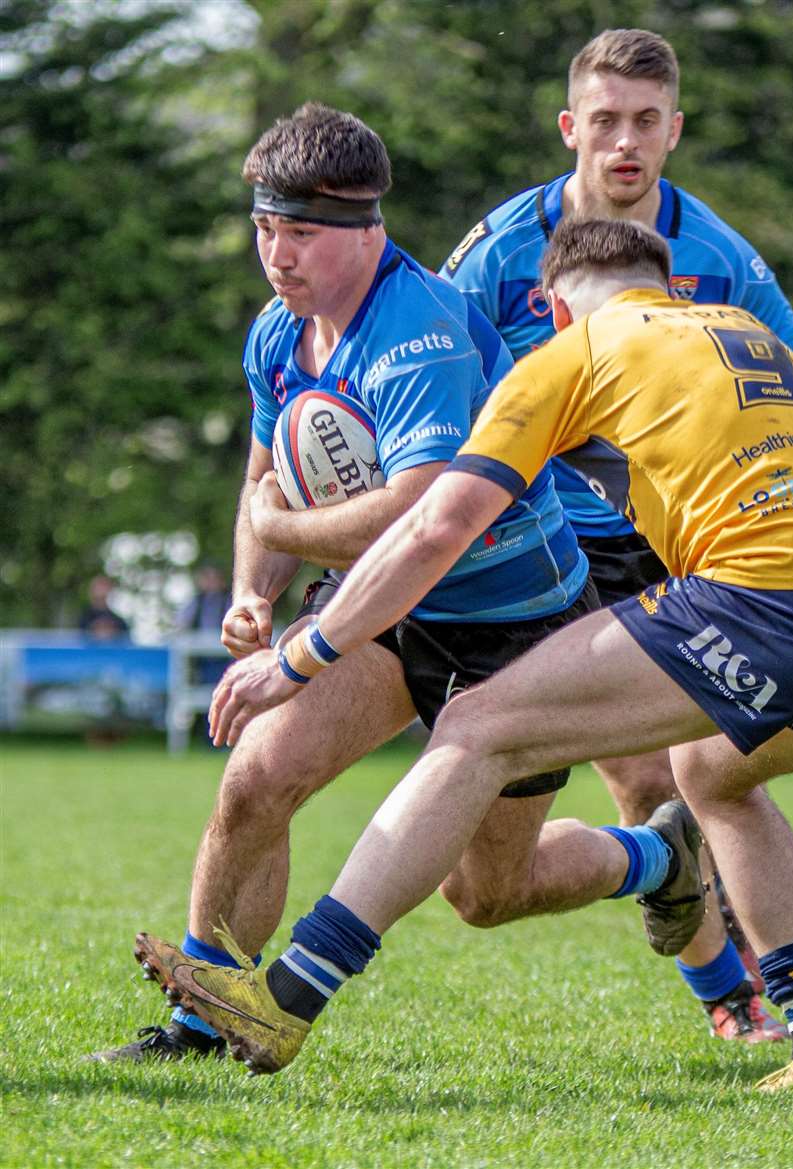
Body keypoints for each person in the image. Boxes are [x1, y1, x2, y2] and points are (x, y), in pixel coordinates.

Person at [135, 219, 793, 1094]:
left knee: (480, 724)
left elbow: (437, 520)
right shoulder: (742, 331)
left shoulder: (571, 351)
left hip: (770, 596)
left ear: (551, 306)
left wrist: (299, 655)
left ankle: (285, 997)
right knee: (715, 775)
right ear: (669, 288)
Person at [91, 106, 705, 1064]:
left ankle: (657, 855)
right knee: (258, 775)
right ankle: (201, 1022)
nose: (277, 256)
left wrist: (276, 536)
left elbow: (411, 510)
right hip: (386, 608)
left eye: (301, 233)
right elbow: (266, 477)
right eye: (264, 229)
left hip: (515, 623)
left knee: (486, 895)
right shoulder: (277, 335)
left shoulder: (418, 332)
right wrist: (255, 593)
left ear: (368, 227)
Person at [438, 27, 793, 1041]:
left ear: (674, 129)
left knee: (669, 772)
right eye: (604, 121)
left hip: (671, 538)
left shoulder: (717, 254)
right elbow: (437, 393)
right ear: (569, 125)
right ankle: (728, 964)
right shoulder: (497, 251)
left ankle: (739, 994)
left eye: (645, 123)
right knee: (544, 842)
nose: (623, 142)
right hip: (533, 543)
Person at [78, 575, 129, 641]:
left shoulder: (119, 621)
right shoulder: (83, 619)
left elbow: (125, 640)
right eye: (98, 587)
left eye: (104, 586)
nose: (101, 590)